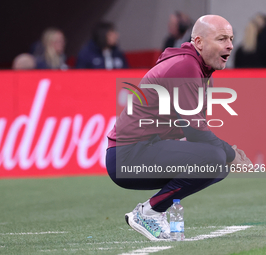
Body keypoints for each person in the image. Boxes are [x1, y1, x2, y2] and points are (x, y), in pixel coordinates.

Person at [106, 15, 253, 241]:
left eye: (231, 39)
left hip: (139, 152)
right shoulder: (186, 66)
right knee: (215, 157)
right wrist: (231, 153)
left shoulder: (199, 70)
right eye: (222, 38)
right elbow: (197, 132)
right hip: (127, 156)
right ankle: (149, 212)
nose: (230, 45)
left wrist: (227, 153)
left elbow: (195, 131)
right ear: (199, 42)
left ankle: (153, 211)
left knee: (217, 163)